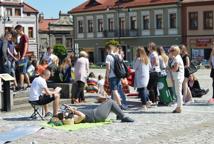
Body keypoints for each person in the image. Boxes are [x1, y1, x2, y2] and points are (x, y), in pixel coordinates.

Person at [59, 99, 134, 123]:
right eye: (64, 114)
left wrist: (71, 109)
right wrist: (73, 111)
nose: (65, 112)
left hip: (96, 113)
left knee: (106, 102)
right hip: (96, 115)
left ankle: (119, 115)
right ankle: (123, 116)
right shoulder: (71, 119)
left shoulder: (70, 116)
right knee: (111, 102)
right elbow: (82, 116)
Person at [105, 44, 128, 110]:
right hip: (118, 75)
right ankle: (116, 105)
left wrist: (106, 76)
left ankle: (120, 105)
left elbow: (108, 68)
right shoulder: (117, 55)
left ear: (108, 49)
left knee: (114, 91)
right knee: (117, 90)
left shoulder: (108, 56)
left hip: (112, 76)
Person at [169, 45, 184, 113]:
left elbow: (175, 69)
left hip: (178, 77)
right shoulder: (177, 57)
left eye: (172, 50)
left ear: (176, 51)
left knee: (178, 93)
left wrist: (169, 69)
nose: (170, 51)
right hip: (178, 77)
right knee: (178, 92)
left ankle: (179, 107)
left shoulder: (176, 58)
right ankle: (179, 106)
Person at [15, 25, 31, 90]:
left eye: (16, 30)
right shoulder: (21, 37)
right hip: (23, 56)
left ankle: (21, 86)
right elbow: (19, 47)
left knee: (21, 71)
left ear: (19, 29)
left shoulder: (24, 36)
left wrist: (23, 56)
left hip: (24, 57)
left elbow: (26, 46)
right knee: (24, 71)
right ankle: (29, 84)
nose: (16, 32)